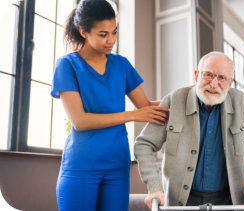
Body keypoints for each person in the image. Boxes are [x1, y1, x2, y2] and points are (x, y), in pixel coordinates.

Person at [51, 0, 169, 210]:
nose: (111, 40)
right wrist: (133, 115)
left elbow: (146, 105)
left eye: (114, 32)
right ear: (84, 32)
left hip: (117, 165)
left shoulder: (121, 64)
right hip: (81, 166)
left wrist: (190, 97)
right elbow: (80, 121)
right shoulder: (67, 65)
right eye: (103, 34)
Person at [134, 51, 244, 209]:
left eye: (222, 78)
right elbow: (144, 144)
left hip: (228, 202)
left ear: (230, 83)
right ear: (197, 76)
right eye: (208, 75)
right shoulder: (174, 99)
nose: (214, 84)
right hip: (181, 203)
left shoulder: (241, 102)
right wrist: (154, 186)